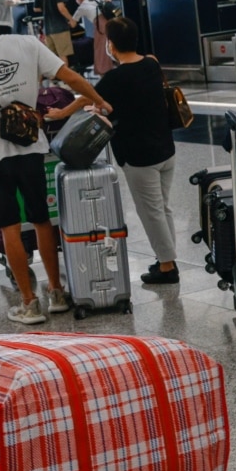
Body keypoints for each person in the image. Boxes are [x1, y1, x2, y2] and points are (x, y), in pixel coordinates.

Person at [0, 12, 111, 325]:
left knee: (9, 227)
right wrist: (102, 102)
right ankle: (56, 291)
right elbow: (71, 78)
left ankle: (29, 303)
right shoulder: (27, 43)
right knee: (41, 220)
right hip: (32, 148)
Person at [48, 17, 178, 284]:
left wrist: (62, 111)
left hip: (140, 156)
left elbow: (88, 97)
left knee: (152, 211)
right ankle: (167, 259)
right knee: (162, 208)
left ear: (111, 44)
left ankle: (167, 267)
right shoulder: (151, 63)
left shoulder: (115, 78)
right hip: (166, 149)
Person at [33, 0, 77, 67]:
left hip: (48, 28)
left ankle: (54, 79)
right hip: (60, 27)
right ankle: (66, 80)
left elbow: (36, 8)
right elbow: (61, 8)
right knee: (63, 56)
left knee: (52, 57)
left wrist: (48, 7)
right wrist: (71, 19)